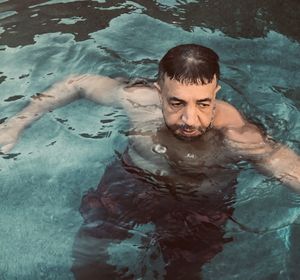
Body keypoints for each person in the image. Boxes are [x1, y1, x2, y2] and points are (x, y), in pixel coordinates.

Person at [0, 44, 299, 279]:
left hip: (199, 204)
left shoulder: (234, 132)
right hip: (132, 182)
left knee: (184, 272)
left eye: (203, 103)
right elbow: (78, 83)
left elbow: (279, 161)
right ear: (160, 92)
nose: (189, 118)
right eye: (177, 102)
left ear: (215, 94)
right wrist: (16, 123)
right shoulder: (139, 101)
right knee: (87, 257)